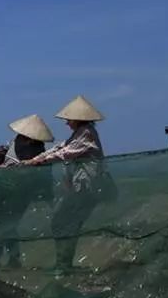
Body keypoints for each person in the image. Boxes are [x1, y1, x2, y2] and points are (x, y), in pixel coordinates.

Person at [24, 96, 108, 273]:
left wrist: (40, 160)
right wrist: (36, 159)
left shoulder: (86, 132)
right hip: (78, 186)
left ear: (78, 118)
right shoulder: (79, 133)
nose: (67, 123)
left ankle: (64, 265)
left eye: (69, 119)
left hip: (86, 186)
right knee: (64, 223)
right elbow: (60, 148)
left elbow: (67, 152)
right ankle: (63, 263)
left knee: (64, 222)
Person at [0, 114, 55, 268]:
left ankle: (3, 259)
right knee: (1, 224)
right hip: (4, 189)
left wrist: (5, 169)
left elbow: (30, 170)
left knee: (8, 225)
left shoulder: (38, 152)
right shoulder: (12, 144)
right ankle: (8, 259)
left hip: (22, 192)